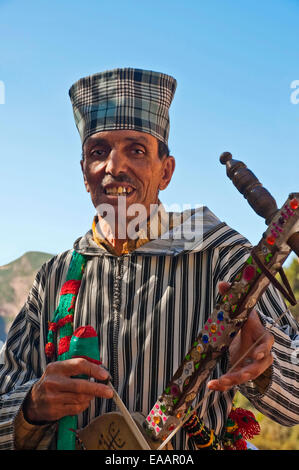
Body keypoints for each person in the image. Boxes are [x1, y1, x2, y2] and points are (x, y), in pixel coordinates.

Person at [0, 68, 298, 450]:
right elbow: (8, 391)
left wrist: (264, 368)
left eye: (136, 150)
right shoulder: (54, 277)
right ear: (84, 173)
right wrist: (32, 406)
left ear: (166, 171)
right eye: (98, 152)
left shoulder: (222, 255)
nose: (114, 167)